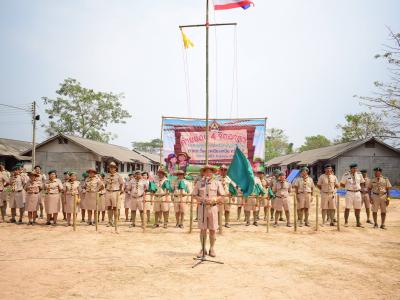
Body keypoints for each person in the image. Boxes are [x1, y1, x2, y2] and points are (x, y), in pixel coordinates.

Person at [192, 165, 225, 258]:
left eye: (210, 172)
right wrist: (201, 199)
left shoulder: (217, 183)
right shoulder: (199, 183)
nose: (208, 173)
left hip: (213, 208)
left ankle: (212, 248)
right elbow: (194, 195)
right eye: (206, 171)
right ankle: (203, 249)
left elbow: (222, 196)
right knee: (203, 229)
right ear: (203, 173)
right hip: (202, 208)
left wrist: (214, 199)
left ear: (213, 173)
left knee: (213, 229)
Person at [340, 163, 365, 227]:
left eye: (356, 168)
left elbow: (362, 182)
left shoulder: (359, 174)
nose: (355, 169)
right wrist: (348, 186)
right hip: (349, 192)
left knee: (358, 208)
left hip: (357, 193)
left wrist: (361, 189)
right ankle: (346, 222)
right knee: (348, 207)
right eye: (353, 168)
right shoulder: (346, 175)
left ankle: (358, 222)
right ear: (350, 169)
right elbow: (342, 184)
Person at [104, 162, 124, 227]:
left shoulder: (118, 175)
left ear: (115, 168)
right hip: (108, 191)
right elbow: (104, 184)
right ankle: (110, 221)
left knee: (115, 207)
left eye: (113, 167)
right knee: (109, 207)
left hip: (115, 192)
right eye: (110, 168)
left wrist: (120, 190)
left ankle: (116, 221)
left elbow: (121, 183)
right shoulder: (107, 175)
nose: (112, 169)